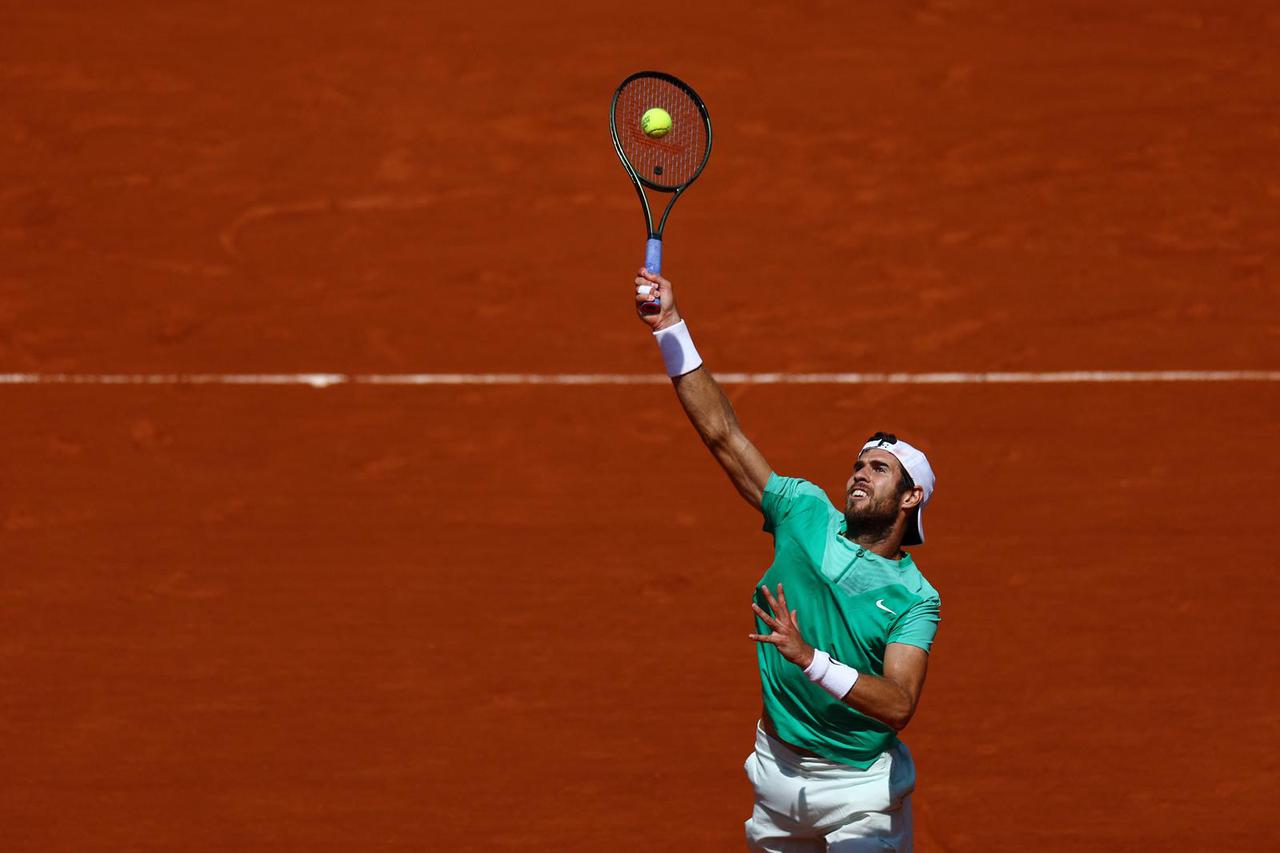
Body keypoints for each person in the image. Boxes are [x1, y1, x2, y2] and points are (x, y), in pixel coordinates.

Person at [633, 268, 942, 852]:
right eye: (858, 463)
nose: (859, 473)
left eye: (879, 470)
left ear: (910, 498)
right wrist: (670, 327)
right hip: (775, 776)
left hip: (860, 794)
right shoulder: (804, 511)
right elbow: (723, 435)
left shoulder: (915, 598)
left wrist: (809, 659)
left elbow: (899, 704)